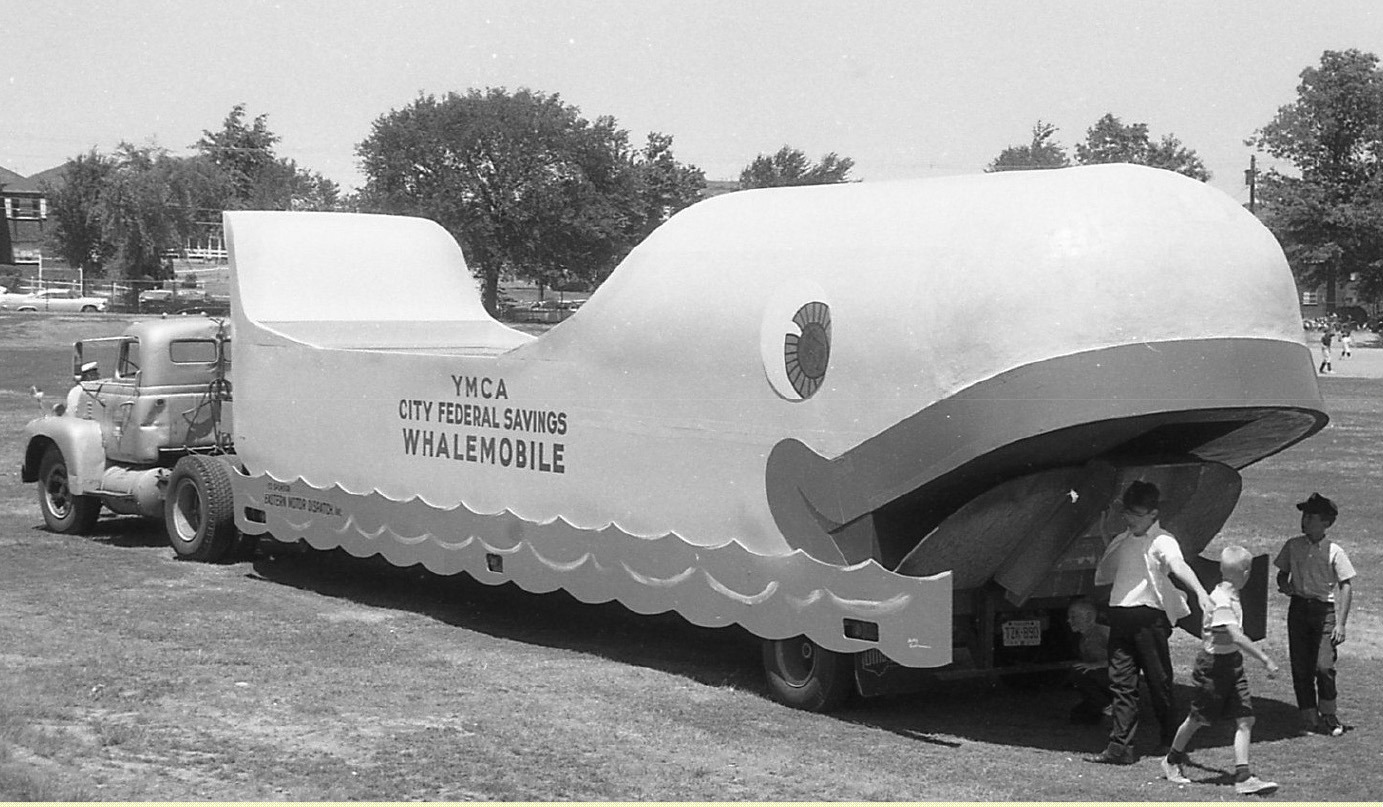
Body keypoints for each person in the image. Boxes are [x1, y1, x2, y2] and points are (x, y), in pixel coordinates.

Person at [1088, 481, 1214, 765]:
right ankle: (1120, 747)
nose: (1130, 519)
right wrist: (1105, 531)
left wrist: (1200, 593)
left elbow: (1178, 565)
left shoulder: (1163, 540)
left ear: (1153, 514)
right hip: (1121, 614)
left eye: (1137, 514)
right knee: (1121, 682)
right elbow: (1114, 562)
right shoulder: (1123, 538)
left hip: (1149, 618)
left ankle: (1171, 740)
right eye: (1128, 513)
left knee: (1159, 682)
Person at [1161, 546, 1280, 795]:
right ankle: (1171, 761)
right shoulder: (1222, 600)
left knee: (1245, 718)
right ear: (1245, 572)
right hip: (1213, 667)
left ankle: (1243, 776)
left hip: (1232, 664)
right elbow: (1236, 636)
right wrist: (1265, 658)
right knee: (1197, 719)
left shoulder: (1232, 596)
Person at [1274, 492, 1356, 736]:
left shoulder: (1334, 551)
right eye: (1304, 516)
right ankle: (1308, 716)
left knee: (1324, 665)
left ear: (1325, 523)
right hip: (1299, 608)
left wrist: (1341, 624)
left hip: (1324, 611)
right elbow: (1282, 573)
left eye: (1311, 517)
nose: (1305, 521)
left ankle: (1328, 713)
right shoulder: (1293, 546)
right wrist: (1284, 584)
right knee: (1301, 665)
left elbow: (1346, 585)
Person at [1065, 598, 1112, 724]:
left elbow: (1124, 658)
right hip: (1102, 677)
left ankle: (1108, 706)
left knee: (1077, 672)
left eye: (1073, 617)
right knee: (1077, 716)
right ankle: (1101, 705)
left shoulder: (1104, 633)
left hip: (1116, 677)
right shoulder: (1084, 638)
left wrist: (1096, 665)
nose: (1069, 621)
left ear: (1089, 617)